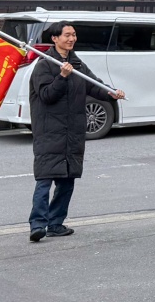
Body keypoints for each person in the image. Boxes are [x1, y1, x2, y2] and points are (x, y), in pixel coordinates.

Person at [28, 24, 123, 242]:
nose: (72, 38)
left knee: (67, 180)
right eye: (67, 35)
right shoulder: (44, 65)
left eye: (73, 35)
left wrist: (111, 93)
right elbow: (46, 96)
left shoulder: (77, 63)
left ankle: (56, 223)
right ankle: (38, 224)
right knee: (44, 179)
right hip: (49, 132)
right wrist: (61, 77)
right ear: (55, 38)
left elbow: (93, 85)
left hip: (73, 133)